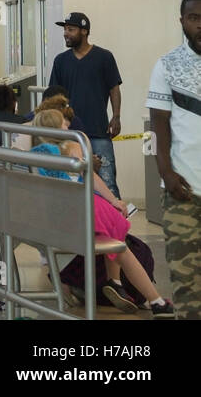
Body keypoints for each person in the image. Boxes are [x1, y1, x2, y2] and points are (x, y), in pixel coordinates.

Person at [29, 110, 173, 317]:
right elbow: (90, 176)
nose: (68, 125)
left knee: (114, 233)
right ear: (54, 128)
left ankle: (118, 284)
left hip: (56, 217)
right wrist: (114, 199)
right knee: (119, 236)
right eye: (63, 123)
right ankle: (152, 299)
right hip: (82, 210)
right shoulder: (71, 145)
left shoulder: (34, 154)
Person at [149, 0, 201, 319]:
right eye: (194, 18)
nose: (200, 25)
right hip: (185, 192)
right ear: (182, 22)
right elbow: (158, 125)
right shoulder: (167, 65)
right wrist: (166, 173)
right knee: (187, 286)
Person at [50, 12, 123, 199]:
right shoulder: (60, 61)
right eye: (65, 29)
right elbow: (54, 96)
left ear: (84, 31)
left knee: (108, 185)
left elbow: (114, 88)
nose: (66, 33)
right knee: (73, 185)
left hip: (98, 132)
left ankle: (116, 225)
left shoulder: (104, 57)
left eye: (71, 29)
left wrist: (116, 117)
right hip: (70, 134)